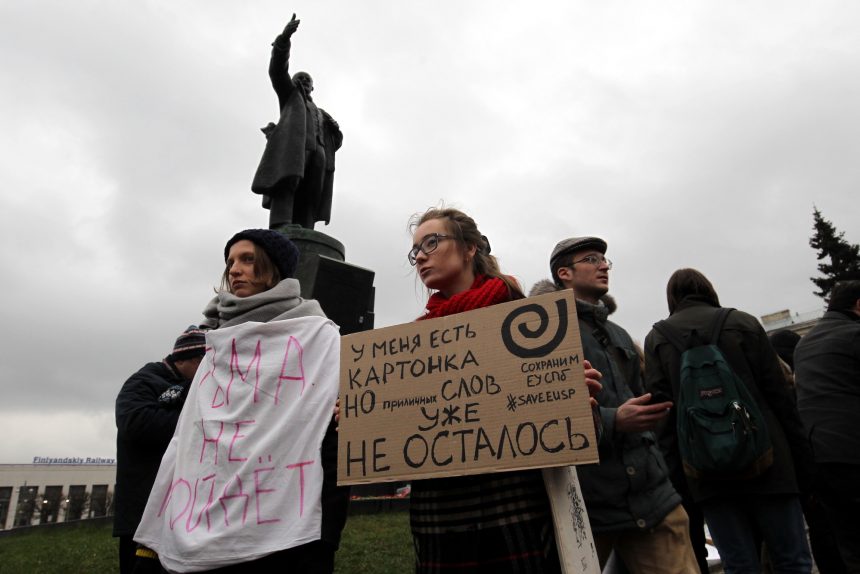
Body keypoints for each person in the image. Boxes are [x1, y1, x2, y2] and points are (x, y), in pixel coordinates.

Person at [135, 229, 348, 573]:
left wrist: (327, 533)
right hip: (207, 519)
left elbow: (328, 433)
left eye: (248, 260)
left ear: (274, 267)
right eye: (231, 261)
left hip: (286, 532)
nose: (234, 270)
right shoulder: (215, 346)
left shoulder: (317, 336)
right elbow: (189, 439)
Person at [407, 208, 601, 573]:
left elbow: (583, 433)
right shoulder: (414, 341)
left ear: (469, 249)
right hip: (439, 519)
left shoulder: (531, 320)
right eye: (415, 249)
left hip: (514, 512)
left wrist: (578, 398)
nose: (419, 256)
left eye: (431, 242)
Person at [530, 237, 698, 573]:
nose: (604, 265)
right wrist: (613, 420)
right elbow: (540, 413)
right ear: (564, 273)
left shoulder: (619, 334)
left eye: (606, 260)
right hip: (587, 504)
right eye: (592, 259)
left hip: (653, 498)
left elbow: (637, 399)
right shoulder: (544, 333)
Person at [644, 268, 813, 573]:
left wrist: (678, 480)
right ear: (708, 290)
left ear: (672, 298)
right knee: (792, 560)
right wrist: (801, 460)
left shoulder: (658, 338)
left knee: (738, 564)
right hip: (769, 462)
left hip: (706, 472)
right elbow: (780, 398)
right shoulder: (743, 323)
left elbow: (663, 416)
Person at [113, 326, 207, 574]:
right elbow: (135, 423)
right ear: (190, 359)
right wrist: (194, 417)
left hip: (181, 513)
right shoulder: (144, 381)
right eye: (204, 364)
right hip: (142, 511)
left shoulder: (188, 386)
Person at [252, 14, 343, 230]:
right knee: (288, 183)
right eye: (298, 78)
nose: (302, 81)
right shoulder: (290, 97)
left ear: (313, 87)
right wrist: (284, 40)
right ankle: (281, 224)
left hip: (319, 152)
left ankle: (306, 227)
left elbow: (335, 140)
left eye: (307, 80)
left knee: (313, 190)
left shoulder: (321, 113)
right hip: (296, 148)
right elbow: (277, 70)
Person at [795, 280, 860, 571]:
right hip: (853, 449)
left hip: (819, 456)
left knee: (850, 542)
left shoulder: (804, 344)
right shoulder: (854, 334)